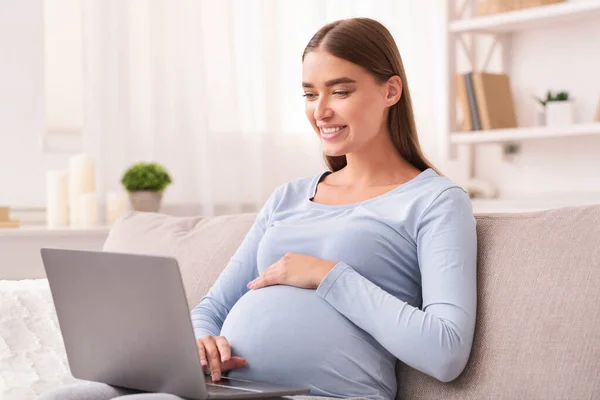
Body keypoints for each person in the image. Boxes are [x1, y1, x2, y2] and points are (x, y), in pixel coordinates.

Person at [41, 17, 477, 400]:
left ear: (391, 90)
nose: (320, 111)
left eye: (340, 91)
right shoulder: (288, 197)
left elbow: (446, 351)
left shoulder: (434, 201)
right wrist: (198, 342)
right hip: (223, 389)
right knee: (71, 395)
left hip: (329, 394)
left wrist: (327, 275)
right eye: (309, 94)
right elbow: (211, 308)